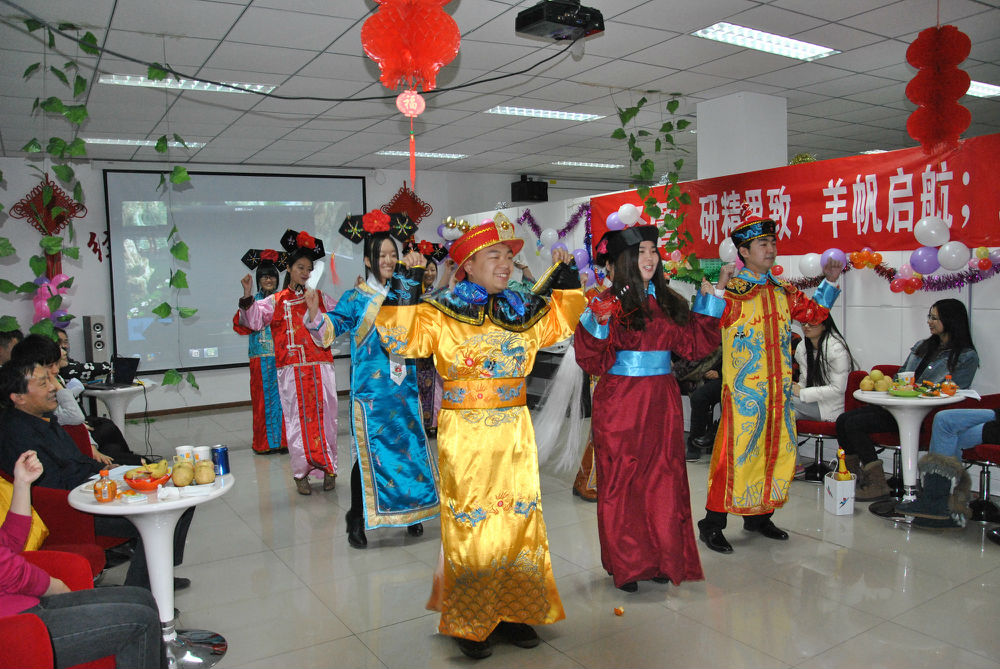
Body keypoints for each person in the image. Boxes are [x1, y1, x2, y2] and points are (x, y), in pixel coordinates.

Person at [375, 218, 585, 659]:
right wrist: (407, 280)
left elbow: (562, 324)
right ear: (467, 264)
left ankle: (515, 611)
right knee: (472, 524)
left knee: (518, 520)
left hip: (514, 431)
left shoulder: (520, 310)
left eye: (509, 255)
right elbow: (398, 338)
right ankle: (472, 619)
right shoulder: (441, 311)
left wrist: (565, 274)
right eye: (495, 255)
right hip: (466, 434)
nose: (506, 263)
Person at [574, 225, 726, 592]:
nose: (649, 258)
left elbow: (694, 345)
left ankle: (660, 557)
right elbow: (589, 357)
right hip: (620, 403)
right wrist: (598, 320)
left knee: (662, 480)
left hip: (662, 402)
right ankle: (627, 563)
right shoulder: (607, 302)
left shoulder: (669, 300)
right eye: (641, 252)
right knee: (622, 482)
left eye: (653, 251)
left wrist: (713, 297)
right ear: (625, 259)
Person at [698, 204, 844, 554]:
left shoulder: (782, 290)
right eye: (762, 244)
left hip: (778, 393)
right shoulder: (733, 291)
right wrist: (717, 289)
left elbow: (814, 314)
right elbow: (704, 327)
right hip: (744, 394)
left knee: (772, 452)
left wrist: (829, 282)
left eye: (773, 242)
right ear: (744, 252)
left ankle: (759, 516)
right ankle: (712, 523)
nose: (771, 249)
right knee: (734, 456)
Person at [0, 358, 194, 591]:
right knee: (160, 518)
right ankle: (144, 592)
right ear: (18, 397)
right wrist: (103, 482)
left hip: (93, 488)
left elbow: (76, 460)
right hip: (71, 509)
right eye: (43, 383)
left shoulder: (43, 419)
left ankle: (159, 575)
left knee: (181, 500)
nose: (53, 387)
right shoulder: (16, 435)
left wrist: (106, 471)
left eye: (51, 380)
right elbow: (51, 485)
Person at [304, 228, 440, 549]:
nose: (389, 261)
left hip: (404, 388)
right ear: (368, 260)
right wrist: (313, 313)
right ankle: (356, 518)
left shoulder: (406, 291)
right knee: (367, 455)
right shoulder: (355, 298)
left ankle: (411, 513)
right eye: (382, 256)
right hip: (371, 395)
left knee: (409, 451)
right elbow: (329, 330)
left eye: (393, 255)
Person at [1, 449, 164, 669]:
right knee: (141, 621)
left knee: (142, 597)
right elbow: (12, 572)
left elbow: (10, 543)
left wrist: (22, 484)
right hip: (14, 629)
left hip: (22, 605)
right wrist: (55, 586)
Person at [835, 298, 979, 500]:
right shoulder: (922, 346)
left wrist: (918, 390)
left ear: (951, 321)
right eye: (929, 316)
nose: (929, 321)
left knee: (854, 424)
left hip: (924, 415)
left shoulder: (966, 356)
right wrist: (892, 385)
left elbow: (955, 391)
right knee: (843, 420)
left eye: (934, 318)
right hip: (898, 406)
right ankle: (853, 476)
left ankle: (877, 483)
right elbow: (901, 375)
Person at [239, 229, 338, 495]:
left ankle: (328, 469)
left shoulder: (319, 297)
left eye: (309, 268)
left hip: (320, 368)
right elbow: (252, 320)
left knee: (325, 420)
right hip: (291, 371)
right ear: (290, 269)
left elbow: (340, 319)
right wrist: (247, 294)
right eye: (300, 268)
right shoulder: (276, 301)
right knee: (296, 423)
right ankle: (301, 474)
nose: (305, 273)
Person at [13, 333, 143, 467]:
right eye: (50, 366)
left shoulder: (49, 391)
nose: (56, 370)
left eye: (57, 364)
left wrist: (92, 448)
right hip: (73, 460)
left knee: (111, 436)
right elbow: (75, 418)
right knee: (123, 451)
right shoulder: (34, 412)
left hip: (79, 455)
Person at [233, 249, 287, 455]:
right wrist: (247, 294)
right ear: (258, 280)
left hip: (282, 358)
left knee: (284, 400)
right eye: (264, 276)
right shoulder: (251, 302)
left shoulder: (283, 300)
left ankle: (284, 442)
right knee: (262, 401)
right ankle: (264, 444)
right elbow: (241, 324)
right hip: (260, 360)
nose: (268, 280)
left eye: (272, 276)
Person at [791, 314, 857, 421]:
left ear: (824, 325)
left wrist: (801, 392)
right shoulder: (802, 347)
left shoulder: (836, 348)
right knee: (785, 414)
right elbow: (805, 380)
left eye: (812, 323)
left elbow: (837, 389)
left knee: (781, 401)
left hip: (830, 406)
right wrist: (796, 387)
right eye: (804, 322)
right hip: (810, 401)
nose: (806, 326)